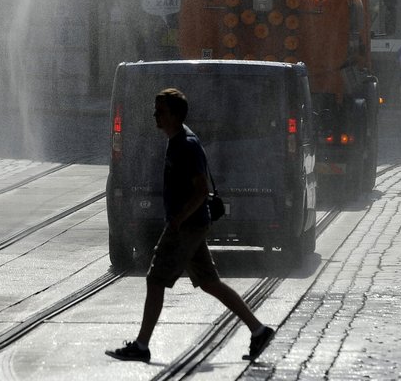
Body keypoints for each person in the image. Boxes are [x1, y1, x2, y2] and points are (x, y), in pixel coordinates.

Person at [106, 87, 275, 364]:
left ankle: (141, 345)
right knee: (210, 283)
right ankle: (258, 330)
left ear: (174, 115)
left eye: (160, 111)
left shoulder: (186, 144)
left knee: (155, 279)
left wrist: (178, 219)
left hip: (185, 227)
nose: (155, 115)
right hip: (191, 225)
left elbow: (200, 189)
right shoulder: (177, 140)